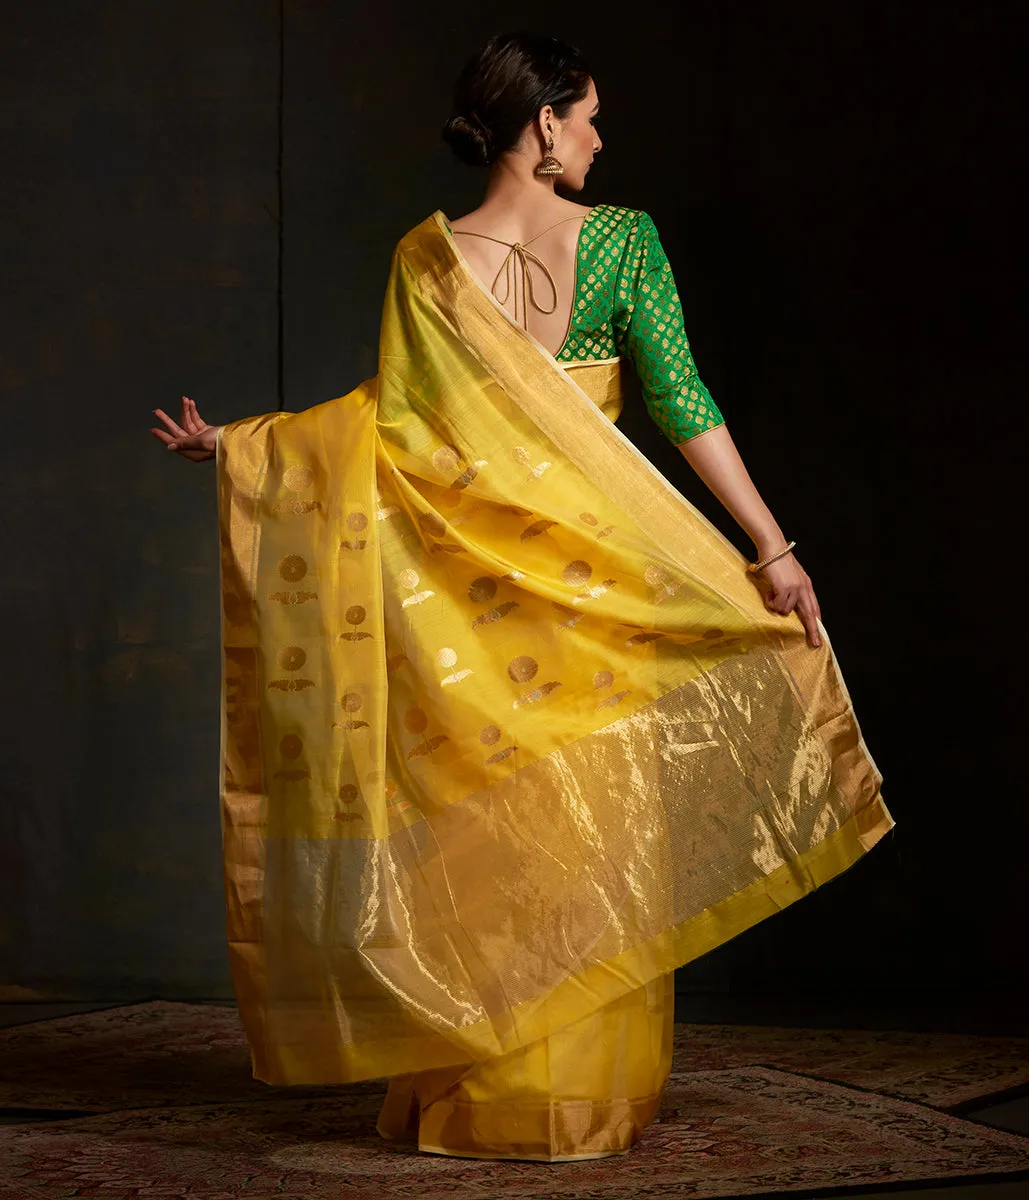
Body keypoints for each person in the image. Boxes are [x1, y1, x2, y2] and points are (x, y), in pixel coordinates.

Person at [150, 32, 894, 1163]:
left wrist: (245, 449)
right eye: (588, 118)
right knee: (594, 842)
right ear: (543, 124)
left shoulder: (425, 257)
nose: (599, 139)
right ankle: (575, 1102)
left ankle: (478, 1096)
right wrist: (769, 544)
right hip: (599, 593)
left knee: (493, 844)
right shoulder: (623, 246)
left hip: (472, 613)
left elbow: (387, 431)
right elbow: (683, 400)